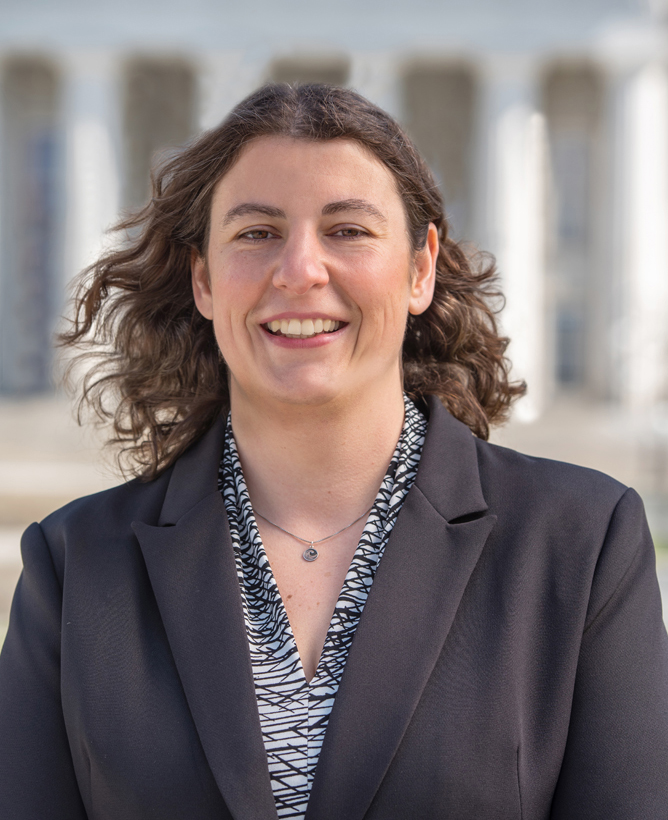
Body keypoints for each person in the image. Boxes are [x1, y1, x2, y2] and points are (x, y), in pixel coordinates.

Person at [0, 83, 667, 820]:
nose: (299, 270)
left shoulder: (581, 541)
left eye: (348, 230)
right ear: (203, 280)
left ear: (420, 271)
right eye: (256, 233)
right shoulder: (76, 564)